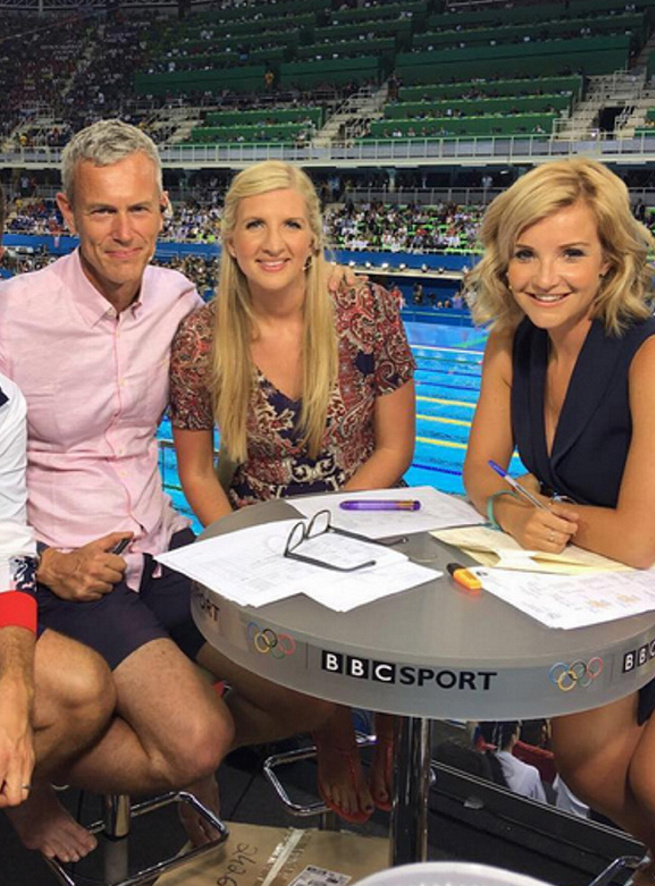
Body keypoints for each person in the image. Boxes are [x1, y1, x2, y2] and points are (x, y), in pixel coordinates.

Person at [0, 120, 349, 848]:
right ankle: (33, 788)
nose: (123, 231)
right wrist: (44, 562)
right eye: (101, 211)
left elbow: (276, 300)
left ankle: (152, 736)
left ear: (164, 207)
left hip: (162, 549)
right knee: (194, 740)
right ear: (65, 215)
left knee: (309, 693)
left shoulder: (179, 298)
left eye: (138, 209)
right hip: (71, 572)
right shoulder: (14, 316)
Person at [463, 158, 655, 884]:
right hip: (618, 589)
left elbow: (639, 537)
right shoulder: (512, 342)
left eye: (571, 253)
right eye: (525, 253)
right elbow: (481, 470)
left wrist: (540, 509)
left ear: (610, 262)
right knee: (590, 771)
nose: (543, 276)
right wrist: (506, 506)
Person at [169, 160, 416, 823]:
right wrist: (247, 545)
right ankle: (330, 731)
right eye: (255, 224)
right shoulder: (200, 336)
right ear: (229, 239)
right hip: (257, 519)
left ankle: (391, 733)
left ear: (313, 238)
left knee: (389, 600)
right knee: (300, 607)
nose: (273, 242)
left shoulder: (368, 308)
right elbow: (194, 469)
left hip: (367, 501)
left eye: (290, 224)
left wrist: (329, 526)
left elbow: (396, 447)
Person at [0, 182, 116, 863]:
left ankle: (25, 788)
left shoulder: (4, 403)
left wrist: (11, 687)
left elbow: (7, 539)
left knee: (78, 691)